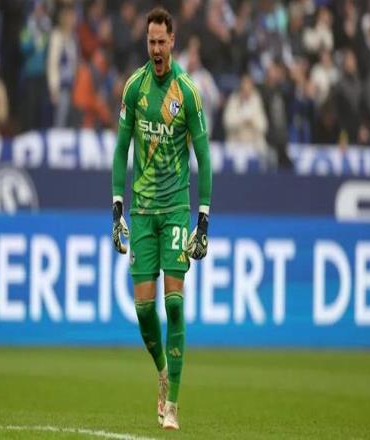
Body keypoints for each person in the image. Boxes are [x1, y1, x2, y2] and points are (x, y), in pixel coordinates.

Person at [111, 7, 212, 431]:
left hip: (174, 210)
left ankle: (172, 404)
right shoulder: (134, 88)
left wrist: (202, 217)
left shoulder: (187, 92)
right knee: (143, 310)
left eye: (161, 42)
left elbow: (203, 156)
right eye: (150, 42)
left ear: (173, 41)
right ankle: (162, 370)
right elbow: (121, 150)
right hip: (141, 211)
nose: (155, 49)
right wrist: (117, 204)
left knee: (174, 303)